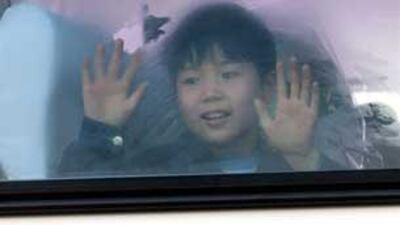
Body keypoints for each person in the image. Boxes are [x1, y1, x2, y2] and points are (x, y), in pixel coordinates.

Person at [57, 3, 357, 177]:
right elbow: (78, 202)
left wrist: (301, 157)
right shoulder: (156, 166)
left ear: (265, 87)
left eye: (228, 74)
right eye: (191, 80)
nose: (209, 93)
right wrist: (100, 130)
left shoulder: (292, 164)